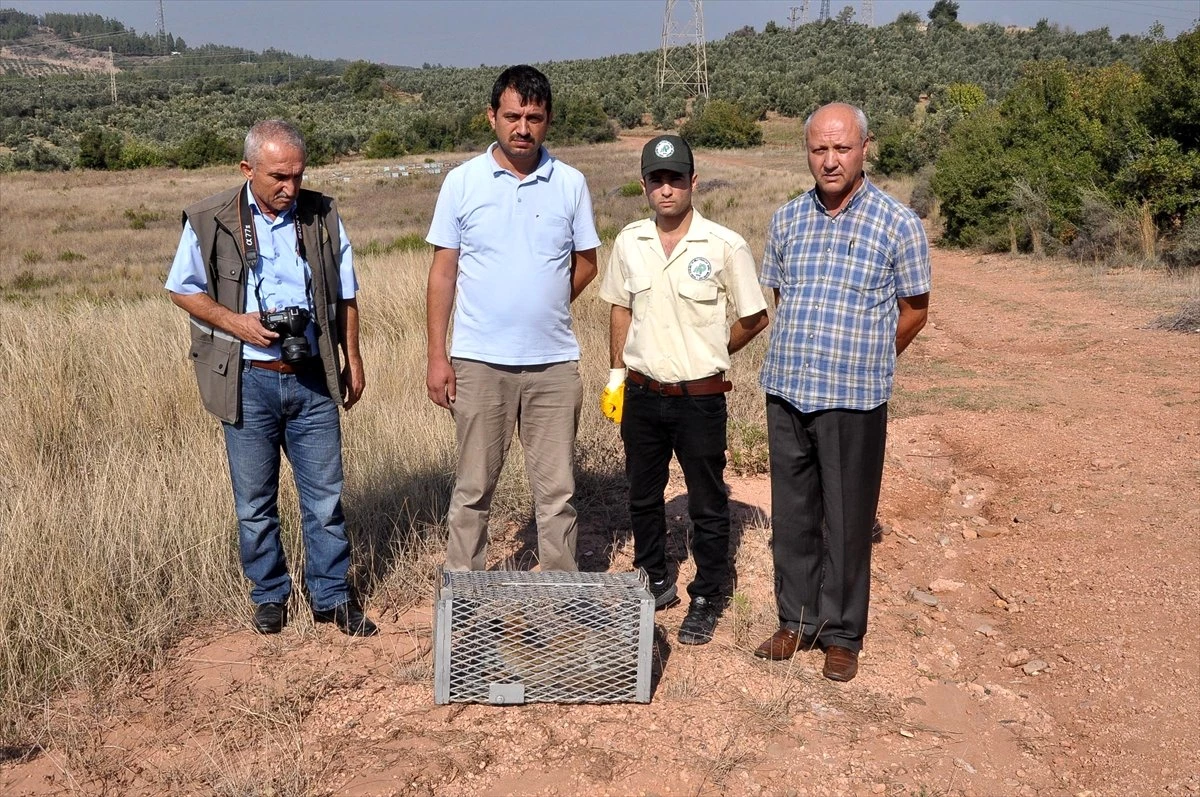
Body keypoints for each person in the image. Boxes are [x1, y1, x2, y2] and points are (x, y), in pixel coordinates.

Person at [165, 119, 377, 637]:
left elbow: (346, 293)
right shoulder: (211, 218)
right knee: (254, 505)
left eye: (297, 176)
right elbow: (181, 289)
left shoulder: (322, 215)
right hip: (247, 380)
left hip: (311, 378)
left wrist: (353, 358)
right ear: (247, 169)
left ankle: (331, 596)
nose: (289, 188)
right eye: (278, 177)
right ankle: (271, 595)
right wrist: (236, 322)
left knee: (325, 500)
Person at [753, 103, 930, 680]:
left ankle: (842, 633)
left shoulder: (897, 222)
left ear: (864, 148)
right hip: (788, 387)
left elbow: (914, 310)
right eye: (818, 150)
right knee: (794, 511)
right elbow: (783, 297)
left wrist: (869, 355)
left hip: (855, 396)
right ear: (807, 152)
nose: (829, 161)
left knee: (849, 519)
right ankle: (795, 621)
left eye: (841, 148)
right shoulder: (787, 219)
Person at [425, 65, 600, 572]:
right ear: (491, 117)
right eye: (512, 116)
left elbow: (587, 262)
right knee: (473, 490)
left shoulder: (570, 183)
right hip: (479, 363)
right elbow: (442, 275)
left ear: (548, 121)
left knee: (557, 495)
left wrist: (544, 303)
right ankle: (463, 600)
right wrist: (438, 357)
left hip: (554, 366)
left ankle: (560, 601)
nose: (522, 127)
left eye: (534, 117)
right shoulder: (462, 183)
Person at [599, 135, 768, 645]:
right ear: (645, 184)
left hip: (700, 398)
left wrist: (715, 351)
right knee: (643, 496)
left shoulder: (723, 245)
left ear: (693, 181)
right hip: (643, 394)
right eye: (656, 179)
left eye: (676, 178)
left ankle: (710, 592)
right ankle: (652, 577)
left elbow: (754, 316)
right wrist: (615, 377)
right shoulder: (631, 241)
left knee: (707, 500)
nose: (666, 188)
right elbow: (620, 307)